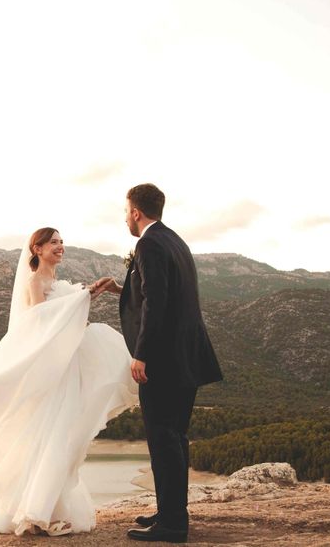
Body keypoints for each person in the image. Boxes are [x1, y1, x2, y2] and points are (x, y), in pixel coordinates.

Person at [0, 227, 139, 536]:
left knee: (65, 436)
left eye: (61, 242)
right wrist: (82, 298)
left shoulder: (58, 283)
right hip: (54, 375)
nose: (61, 247)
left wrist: (90, 295)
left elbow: (67, 319)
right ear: (37, 249)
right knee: (54, 435)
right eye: (54, 243)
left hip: (69, 366)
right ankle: (35, 512)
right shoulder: (35, 282)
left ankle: (45, 509)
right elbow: (39, 322)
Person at [92, 183, 223, 543]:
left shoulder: (148, 243)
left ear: (136, 211)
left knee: (163, 441)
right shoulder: (174, 241)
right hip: (186, 358)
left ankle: (172, 526)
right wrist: (123, 287)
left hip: (163, 361)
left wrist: (141, 354)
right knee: (175, 439)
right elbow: (157, 290)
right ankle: (170, 512)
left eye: (125, 211)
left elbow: (157, 302)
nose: (125, 217)